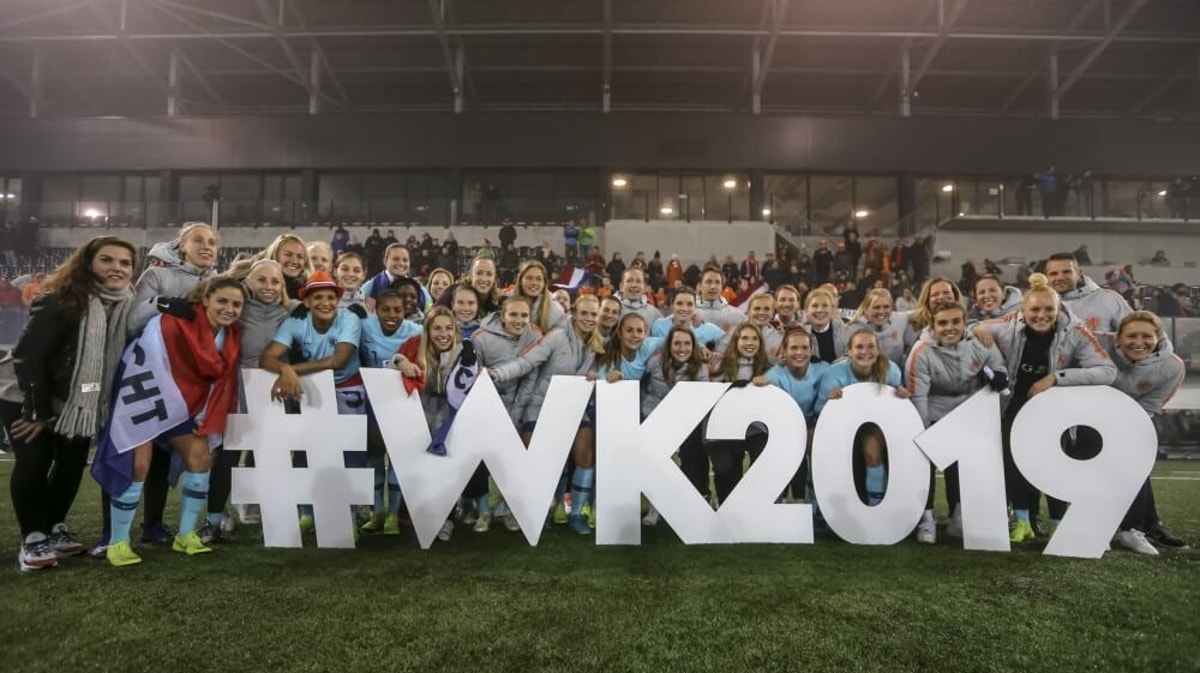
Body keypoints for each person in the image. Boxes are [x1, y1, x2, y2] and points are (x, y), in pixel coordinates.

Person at [0, 236, 136, 571]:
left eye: (125, 263)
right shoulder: (59, 299)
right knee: (35, 460)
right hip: (26, 392)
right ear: (87, 263)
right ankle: (33, 538)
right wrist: (37, 411)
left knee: (72, 463)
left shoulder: (125, 303)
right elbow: (29, 356)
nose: (117, 268)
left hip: (78, 402)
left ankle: (53, 527)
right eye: (107, 260)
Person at [95, 277, 245, 566]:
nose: (229, 309)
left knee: (201, 458)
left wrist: (203, 414)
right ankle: (118, 542)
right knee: (138, 465)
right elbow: (147, 357)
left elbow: (218, 381)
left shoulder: (231, 336)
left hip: (183, 407)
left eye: (237, 304)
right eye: (223, 301)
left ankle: (185, 535)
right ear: (206, 299)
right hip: (145, 398)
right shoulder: (173, 321)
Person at [974, 273, 1117, 544]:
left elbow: (1107, 371)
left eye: (1048, 309)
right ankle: (1023, 522)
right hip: (1014, 407)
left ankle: (1057, 524)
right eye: (1035, 310)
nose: (1042, 315)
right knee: (1013, 463)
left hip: (1054, 412)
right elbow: (972, 328)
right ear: (1023, 310)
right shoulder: (1008, 325)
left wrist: (1055, 378)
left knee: (1055, 465)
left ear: (1058, 308)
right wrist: (978, 329)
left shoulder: (1075, 331)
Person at [490, 294, 605, 534]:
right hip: (540, 405)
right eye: (584, 313)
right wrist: (497, 373)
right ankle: (535, 510)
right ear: (574, 313)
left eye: (593, 314)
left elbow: (605, 372)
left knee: (586, 456)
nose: (588, 318)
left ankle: (577, 515)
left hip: (574, 406)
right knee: (536, 460)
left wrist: (600, 377)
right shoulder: (556, 336)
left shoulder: (598, 343)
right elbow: (525, 362)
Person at [259, 271, 364, 533]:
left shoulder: (349, 318)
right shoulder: (296, 322)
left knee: (349, 451)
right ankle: (306, 511)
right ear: (306, 302)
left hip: (346, 389)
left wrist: (291, 369)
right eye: (318, 298)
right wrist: (286, 370)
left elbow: (338, 360)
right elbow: (267, 358)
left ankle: (349, 516)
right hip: (313, 390)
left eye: (331, 297)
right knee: (306, 449)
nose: (325, 303)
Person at [905, 302, 1007, 543]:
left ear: (965, 323)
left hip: (967, 410)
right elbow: (918, 395)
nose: (949, 328)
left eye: (955, 322)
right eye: (942, 323)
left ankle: (959, 516)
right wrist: (924, 433)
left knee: (965, 465)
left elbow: (999, 368)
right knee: (925, 465)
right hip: (934, 409)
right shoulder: (921, 351)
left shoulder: (981, 342)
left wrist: (1000, 377)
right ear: (932, 325)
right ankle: (926, 519)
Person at [211, 259, 291, 533]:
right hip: (236, 391)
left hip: (274, 393)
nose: (269, 286)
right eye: (262, 280)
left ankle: (250, 502)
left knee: (264, 452)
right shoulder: (237, 311)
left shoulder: (291, 312)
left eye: (275, 281)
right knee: (228, 454)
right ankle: (217, 512)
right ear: (248, 282)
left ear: (282, 286)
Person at [1098, 311, 1188, 553]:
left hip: (1132, 420)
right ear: (1117, 338)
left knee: (1136, 461)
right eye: (1131, 336)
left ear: (1158, 337)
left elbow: (1148, 408)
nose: (1139, 342)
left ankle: (1134, 528)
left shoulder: (1172, 366)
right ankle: (1134, 525)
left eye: (1147, 336)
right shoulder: (1098, 345)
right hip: (1090, 419)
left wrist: (1119, 431)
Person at [393, 307, 475, 542]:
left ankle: (446, 517)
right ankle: (414, 515)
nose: (443, 334)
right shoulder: (415, 344)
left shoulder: (464, 350)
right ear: (428, 330)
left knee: (446, 466)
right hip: (420, 412)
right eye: (437, 328)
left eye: (448, 328)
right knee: (420, 464)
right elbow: (393, 361)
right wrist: (402, 363)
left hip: (449, 413)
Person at [469, 296, 543, 533]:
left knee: (515, 460)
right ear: (502, 316)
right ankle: (483, 511)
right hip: (485, 404)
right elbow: (474, 378)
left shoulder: (535, 336)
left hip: (518, 405)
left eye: (524, 315)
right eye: (513, 315)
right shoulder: (480, 337)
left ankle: (509, 510)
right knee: (480, 458)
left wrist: (514, 414)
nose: (519, 320)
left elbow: (530, 377)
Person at [816, 329, 909, 514]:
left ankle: (876, 507)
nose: (865, 351)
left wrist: (902, 396)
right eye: (859, 347)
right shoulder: (834, 374)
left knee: (872, 450)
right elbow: (819, 410)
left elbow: (898, 412)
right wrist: (831, 401)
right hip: (842, 428)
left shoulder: (890, 371)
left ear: (878, 350)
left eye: (870, 346)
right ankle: (823, 509)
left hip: (877, 426)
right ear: (849, 351)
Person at [358, 290, 422, 535]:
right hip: (372, 403)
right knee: (373, 458)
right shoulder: (364, 327)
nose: (392, 315)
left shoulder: (416, 331)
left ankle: (393, 515)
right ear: (376, 310)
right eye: (386, 309)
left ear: (405, 311)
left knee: (398, 459)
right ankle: (377, 513)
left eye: (397, 310)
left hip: (402, 404)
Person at [765, 329, 829, 507]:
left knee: (818, 457)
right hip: (785, 427)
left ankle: (816, 505)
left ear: (811, 350)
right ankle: (778, 500)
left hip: (816, 425)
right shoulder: (773, 375)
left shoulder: (824, 370)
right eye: (794, 348)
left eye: (804, 348)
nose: (799, 352)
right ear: (784, 352)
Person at [1044, 252, 1131, 333]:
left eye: (1067, 272)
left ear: (1079, 273)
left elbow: (1134, 332)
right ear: (1046, 277)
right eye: (1053, 274)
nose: (1060, 278)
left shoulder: (1108, 299)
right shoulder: (1040, 305)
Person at [852, 288, 915, 366]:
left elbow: (923, 312)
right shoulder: (854, 328)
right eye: (876, 307)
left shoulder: (901, 319)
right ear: (866, 310)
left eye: (886, 307)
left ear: (891, 308)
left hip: (896, 373)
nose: (881, 311)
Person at [436, 255, 503, 317]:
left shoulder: (500, 302)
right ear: (470, 275)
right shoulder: (452, 292)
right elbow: (432, 317)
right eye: (479, 273)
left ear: (494, 278)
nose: (483, 278)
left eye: (489, 274)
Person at [514, 260, 567, 333]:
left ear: (544, 283)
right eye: (529, 278)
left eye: (539, 279)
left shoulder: (556, 311)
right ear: (520, 281)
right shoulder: (506, 303)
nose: (534, 282)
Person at [802, 288, 851, 364]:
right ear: (806, 310)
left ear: (832, 310)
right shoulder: (800, 333)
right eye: (815, 306)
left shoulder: (846, 331)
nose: (819, 310)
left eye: (825, 305)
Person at [695, 267, 746, 331]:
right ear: (699, 286)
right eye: (708, 282)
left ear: (722, 287)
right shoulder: (690, 314)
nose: (713, 286)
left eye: (717, 282)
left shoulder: (736, 315)